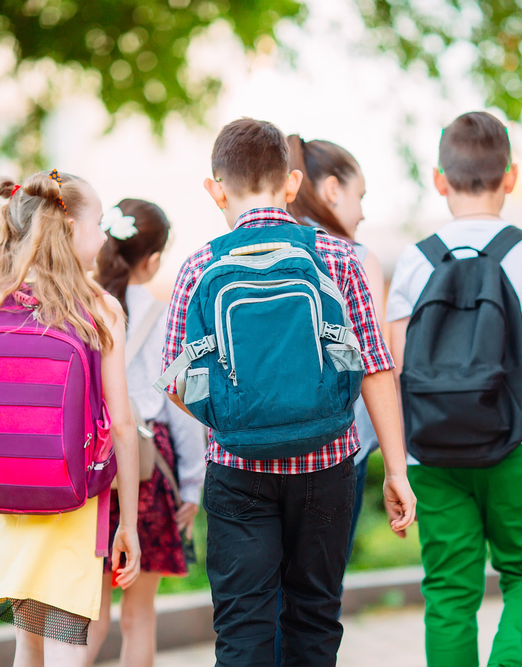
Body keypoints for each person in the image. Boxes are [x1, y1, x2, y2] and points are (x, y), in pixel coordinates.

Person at [158, 117, 416, 666]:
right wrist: (396, 470)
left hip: (237, 469)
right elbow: (375, 367)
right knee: (314, 619)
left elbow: (175, 379)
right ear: (293, 184)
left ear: (216, 189)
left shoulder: (200, 265)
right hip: (327, 467)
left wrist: (231, 416)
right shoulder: (338, 258)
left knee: (243, 629)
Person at [386, 111, 522, 667]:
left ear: (439, 180)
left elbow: (395, 371)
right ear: (511, 176)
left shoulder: (414, 259)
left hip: (432, 455)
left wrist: (396, 464)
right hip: (520, 445)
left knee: (449, 593)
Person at [0, 171, 142, 667]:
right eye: (98, 223)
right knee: (64, 646)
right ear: (71, 227)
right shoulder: (98, 310)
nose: (103, 237)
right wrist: (130, 526)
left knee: (27, 644)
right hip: (69, 506)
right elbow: (121, 423)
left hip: (1, 507)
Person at [85, 199, 205, 666]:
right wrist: (192, 485)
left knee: (87, 615)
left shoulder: (81, 308)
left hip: (91, 472)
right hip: (149, 474)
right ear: (154, 259)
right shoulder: (167, 318)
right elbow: (183, 409)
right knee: (139, 616)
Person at [286, 135, 386, 557]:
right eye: (359, 195)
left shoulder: (261, 247)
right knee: (318, 593)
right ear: (331, 189)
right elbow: (377, 366)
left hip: (262, 444)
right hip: (341, 447)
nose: (362, 211)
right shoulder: (357, 258)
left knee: (266, 591)